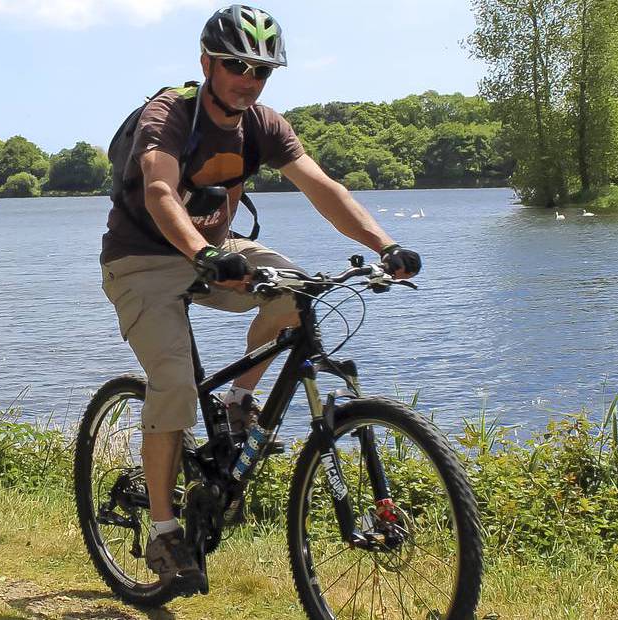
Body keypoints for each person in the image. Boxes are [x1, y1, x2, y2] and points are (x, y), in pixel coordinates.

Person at [97, 4, 424, 590]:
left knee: (297, 294)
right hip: (142, 260)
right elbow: (161, 191)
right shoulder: (169, 114)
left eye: (262, 70)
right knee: (171, 380)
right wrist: (202, 255)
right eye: (235, 64)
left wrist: (385, 244)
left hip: (217, 254)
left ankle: (236, 402)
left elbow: (323, 187)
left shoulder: (264, 124)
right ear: (206, 62)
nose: (249, 78)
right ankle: (164, 528)